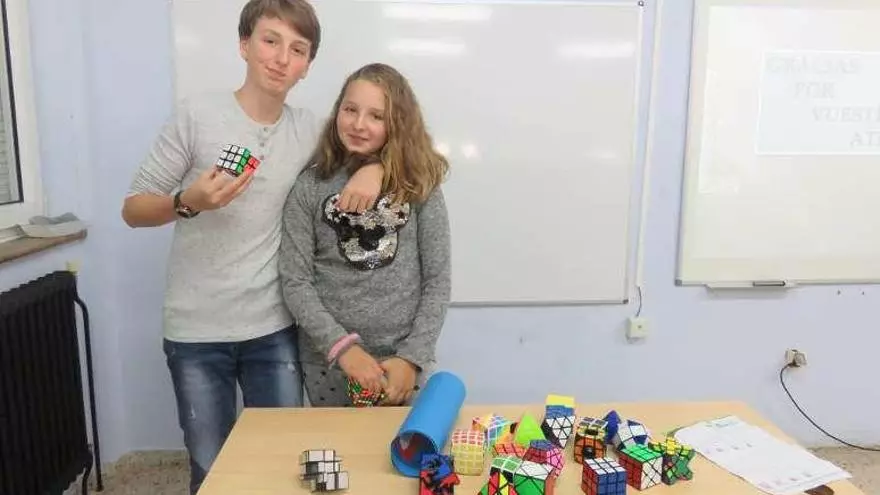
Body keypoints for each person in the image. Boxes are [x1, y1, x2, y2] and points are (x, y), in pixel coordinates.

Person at [121, 1, 384, 492]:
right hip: (196, 331)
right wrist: (187, 202)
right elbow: (133, 209)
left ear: (307, 66)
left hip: (273, 328)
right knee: (212, 468)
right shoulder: (197, 115)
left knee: (280, 465)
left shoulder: (309, 130)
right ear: (244, 45)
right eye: (270, 41)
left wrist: (375, 169)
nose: (282, 58)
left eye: (298, 49)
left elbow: (380, 142)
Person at [278, 62, 451, 408]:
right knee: (339, 443)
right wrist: (343, 349)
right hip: (331, 364)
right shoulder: (309, 187)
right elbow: (295, 281)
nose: (359, 124)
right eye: (350, 110)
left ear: (397, 123)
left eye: (376, 116)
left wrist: (411, 357)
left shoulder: (419, 188)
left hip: (403, 365)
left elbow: (437, 280)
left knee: (404, 442)